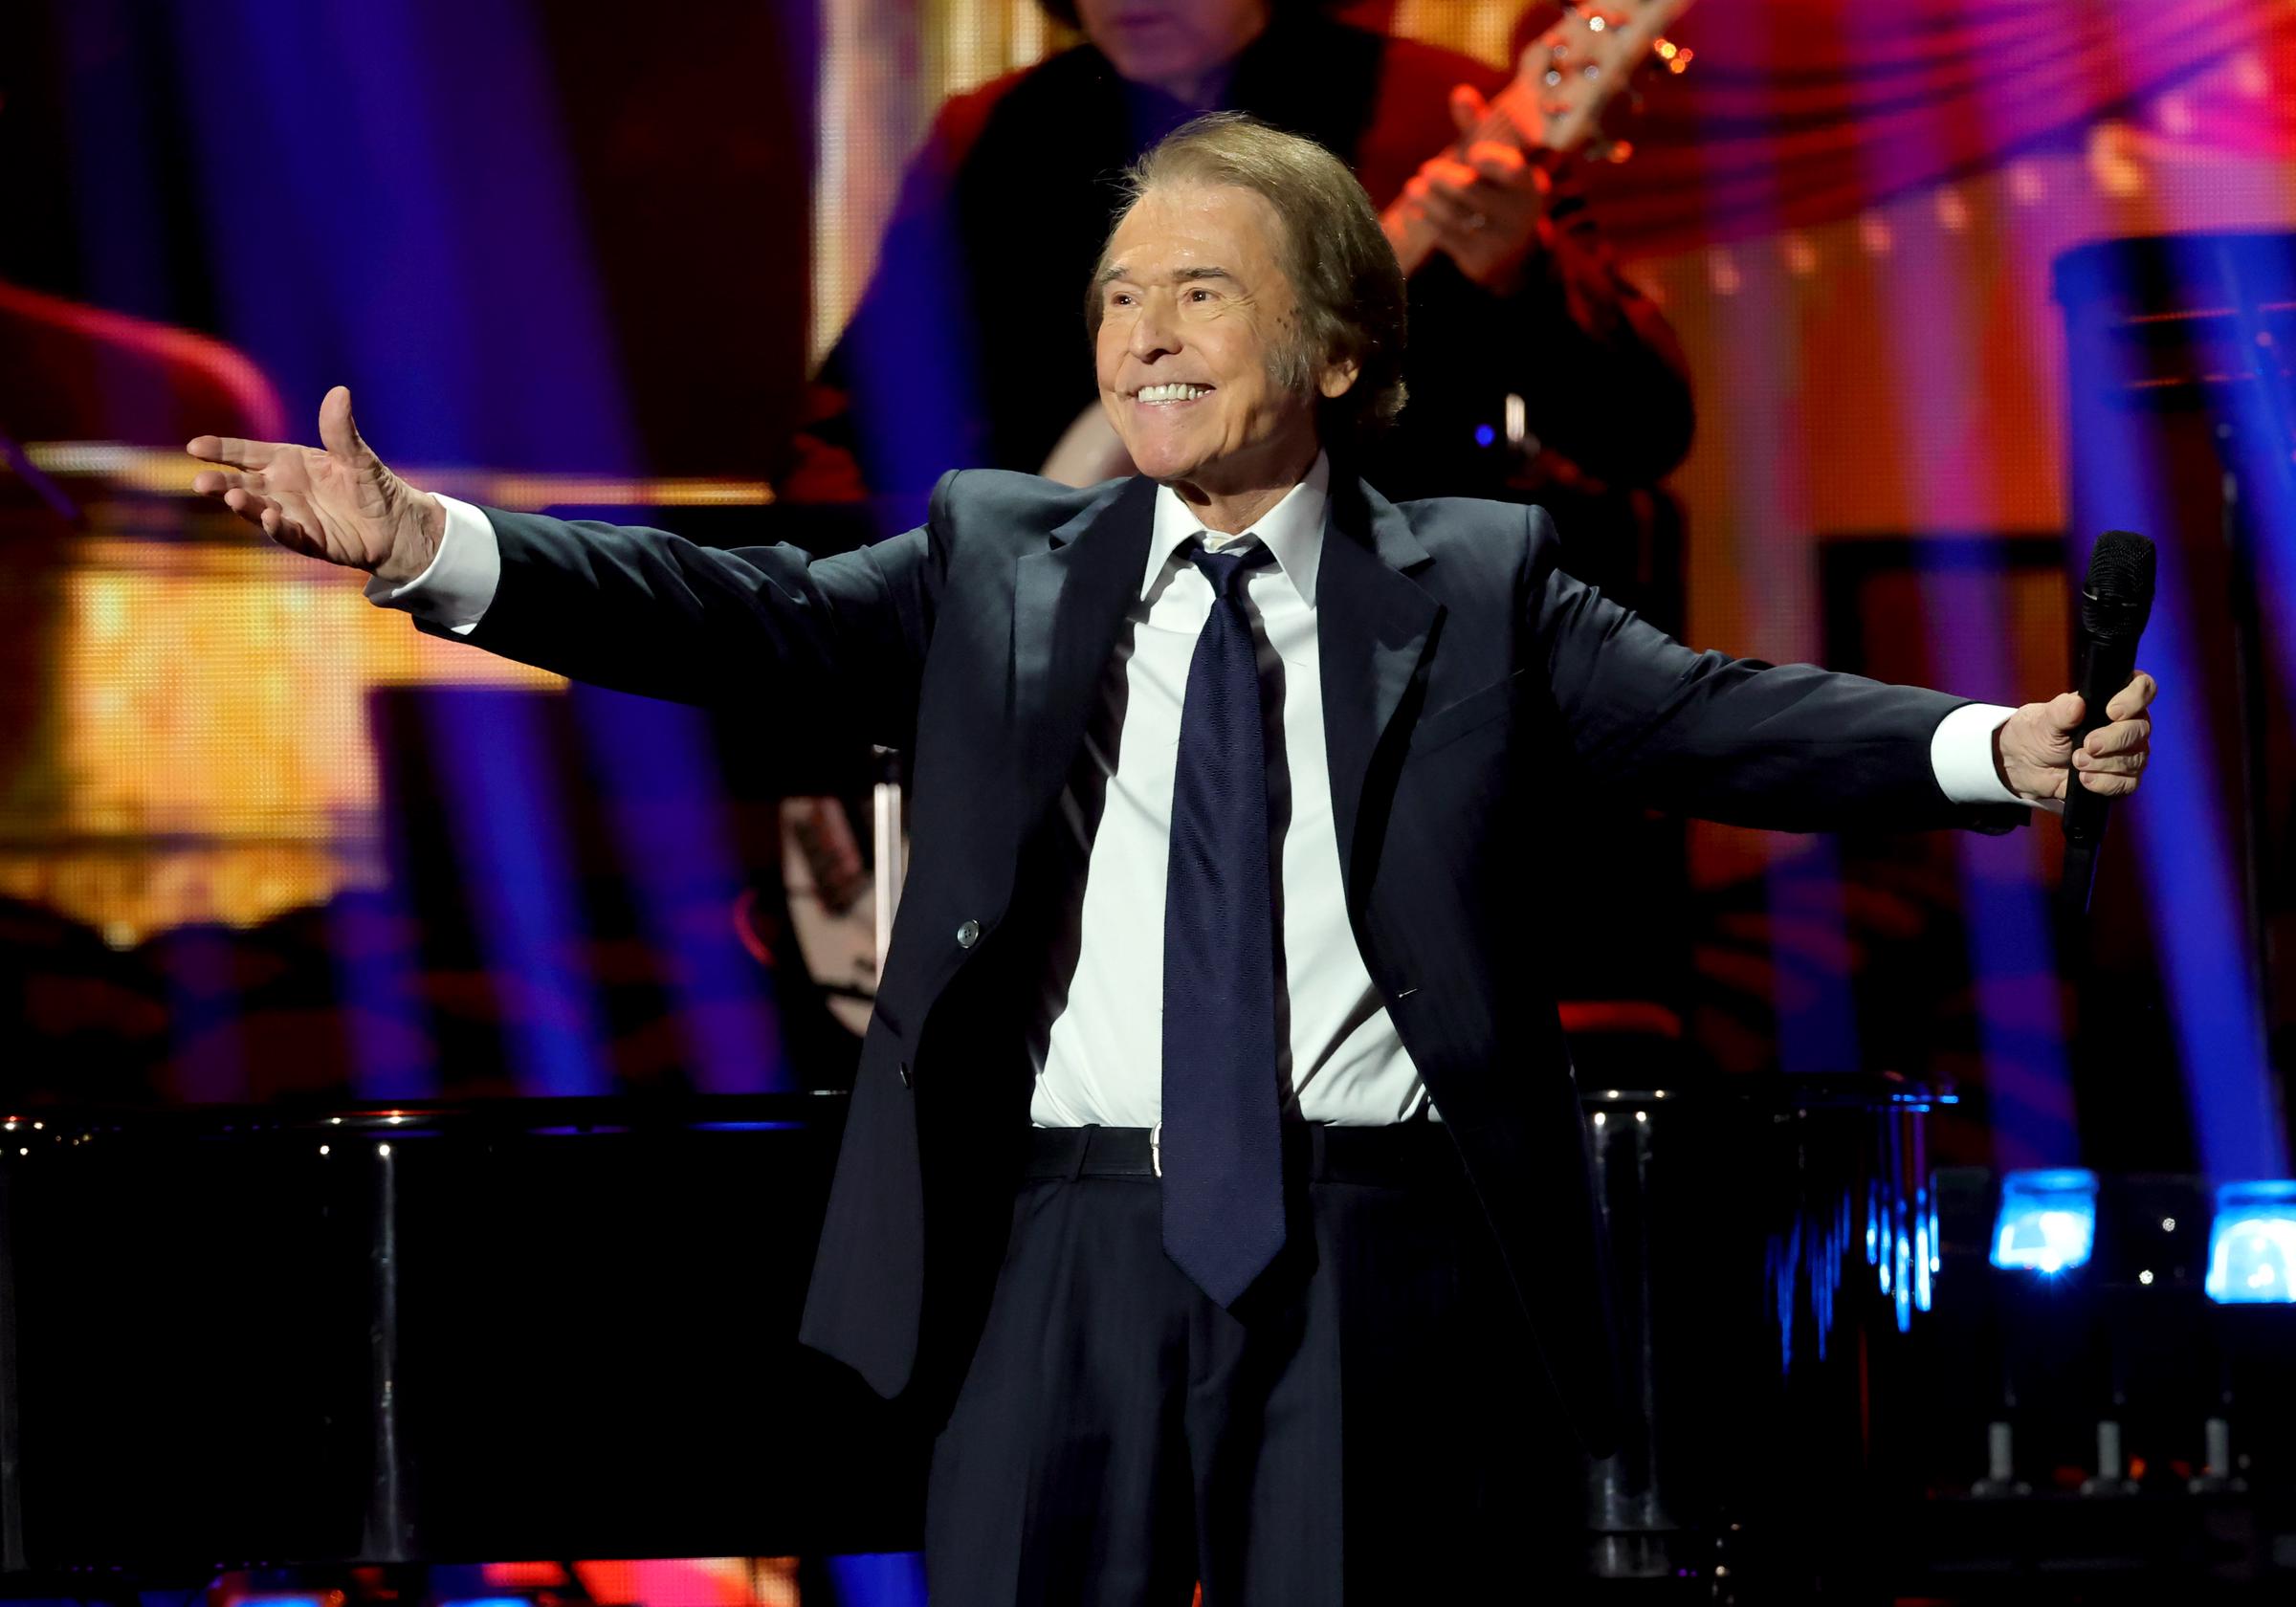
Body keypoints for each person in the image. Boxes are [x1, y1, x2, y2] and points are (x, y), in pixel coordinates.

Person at [188, 116, 2155, 1601]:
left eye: (1200, 292)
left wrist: (1997, 749)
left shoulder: (1475, 581)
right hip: (1058, 1247)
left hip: (1381, 1248)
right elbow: (735, 611)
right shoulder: (1001, 560)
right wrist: (430, 544)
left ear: (1338, 346)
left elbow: (1712, 713)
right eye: (1121, 297)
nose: (1141, 334)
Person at [789, 0, 1693, 600]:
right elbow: (847, 433)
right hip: (1064, 710)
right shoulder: (994, 137)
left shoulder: (1433, 114)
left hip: (1380, 672)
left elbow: (1645, 428)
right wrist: (860, 668)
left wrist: (1522, 275)